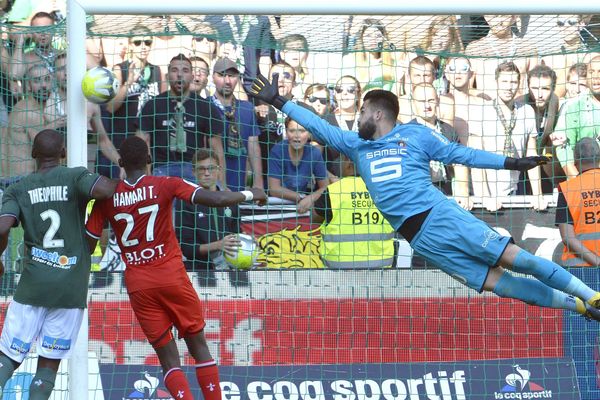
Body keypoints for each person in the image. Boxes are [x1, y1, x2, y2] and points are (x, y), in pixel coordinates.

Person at [249, 73, 600, 321]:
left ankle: (590, 294)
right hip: (419, 238)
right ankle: (582, 307)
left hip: (440, 216)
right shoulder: (356, 146)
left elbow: (462, 155)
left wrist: (512, 162)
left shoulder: (416, 135)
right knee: (500, 286)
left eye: (360, 113)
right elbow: (319, 126)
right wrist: (278, 101)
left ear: (377, 113)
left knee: (515, 259)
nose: (356, 120)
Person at [85, 136, 267, 400]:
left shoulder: (107, 197)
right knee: (198, 347)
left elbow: (89, 244)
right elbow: (214, 199)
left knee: (168, 358)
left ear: (121, 162)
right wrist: (252, 193)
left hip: (138, 284)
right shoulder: (166, 184)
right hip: (172, 277)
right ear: (149, 160)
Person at [0, 129, 116, 399]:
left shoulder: (17, 189)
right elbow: (106, 190)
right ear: (63, 153)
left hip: (33, 285)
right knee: (48, 367)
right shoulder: (75, 176)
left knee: (7, 358)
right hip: (70, 286)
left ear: (32, 154)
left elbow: (3, 226)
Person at [136, 53, 225, 182]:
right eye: (174, 70)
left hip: (194, 169)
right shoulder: (152, 105)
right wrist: (147, 179)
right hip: (161, 169)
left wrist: (220, 185)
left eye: (185, 70)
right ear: (167, 76)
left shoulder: (205, 107)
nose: (179, 74)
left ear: (192, 76)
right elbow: (141, 144)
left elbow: (217, 150)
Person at [313, 154, 396, 269]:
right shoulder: (385, 190)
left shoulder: (335, 190)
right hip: (380, 270)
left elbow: (314, 217)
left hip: (339, 272)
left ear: (348, 160)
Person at [177, 148, 241, 271]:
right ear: (194, 172)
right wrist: (217, 245)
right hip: (199, 270)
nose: (207, 173)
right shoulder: (186, 202)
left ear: (219, 170)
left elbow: (236, 234)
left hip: (231, 269)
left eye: (211, 168)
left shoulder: (230, 199)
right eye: (201, 169)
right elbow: (186, 248)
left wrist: (246, 241)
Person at [209, 58, 263, 192]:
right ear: (213, 78)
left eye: (231, 76)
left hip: (239, 185)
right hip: (210, 186)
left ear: (238, 78)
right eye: (221, 75)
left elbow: (253, 147)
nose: (227, 81)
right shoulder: (203, 107)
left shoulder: (247, 108)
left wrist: (258, 182)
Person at [551, 55, 600, 180]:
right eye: (591, 72)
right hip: (582, 183)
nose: (596, 77)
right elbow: (564, 149)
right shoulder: (572, 106)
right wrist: (580, 181)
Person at [556, 138, 600, 267]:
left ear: (575, 162)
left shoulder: (567, 189)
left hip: (580, 270)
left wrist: (597, 262)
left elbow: (567, 238)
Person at [268, 117, 329, 211]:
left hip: (302, 206)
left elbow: (325, 187)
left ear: (309, 134)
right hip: (276, 204)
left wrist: (311, 198)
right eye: (292, 131)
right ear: (286, 132)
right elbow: (274, 189)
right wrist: (301, 198)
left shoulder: (314, 153)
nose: (297, 135)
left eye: (302, 131)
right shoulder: (277, 151)